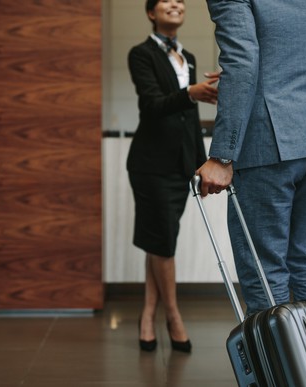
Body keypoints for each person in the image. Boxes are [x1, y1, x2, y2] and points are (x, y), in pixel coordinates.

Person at [196, 0, 306, 315]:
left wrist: (222, 154)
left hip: (269, 144)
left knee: (265, 270)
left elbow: (241, 60)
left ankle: (278, 365)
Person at [127, 0, 218, 352]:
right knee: (163, 240)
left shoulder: (189, 57)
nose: (176, 4)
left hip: (181, 162)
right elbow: (151, 105)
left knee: (159, 240)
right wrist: (190, 93)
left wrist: (202, 162)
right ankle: (173, 315)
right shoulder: (141, 54)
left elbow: (188, 118)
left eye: (180, 0)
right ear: (151, 12)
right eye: (167, 0)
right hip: (150, 163)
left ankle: (147, 312)